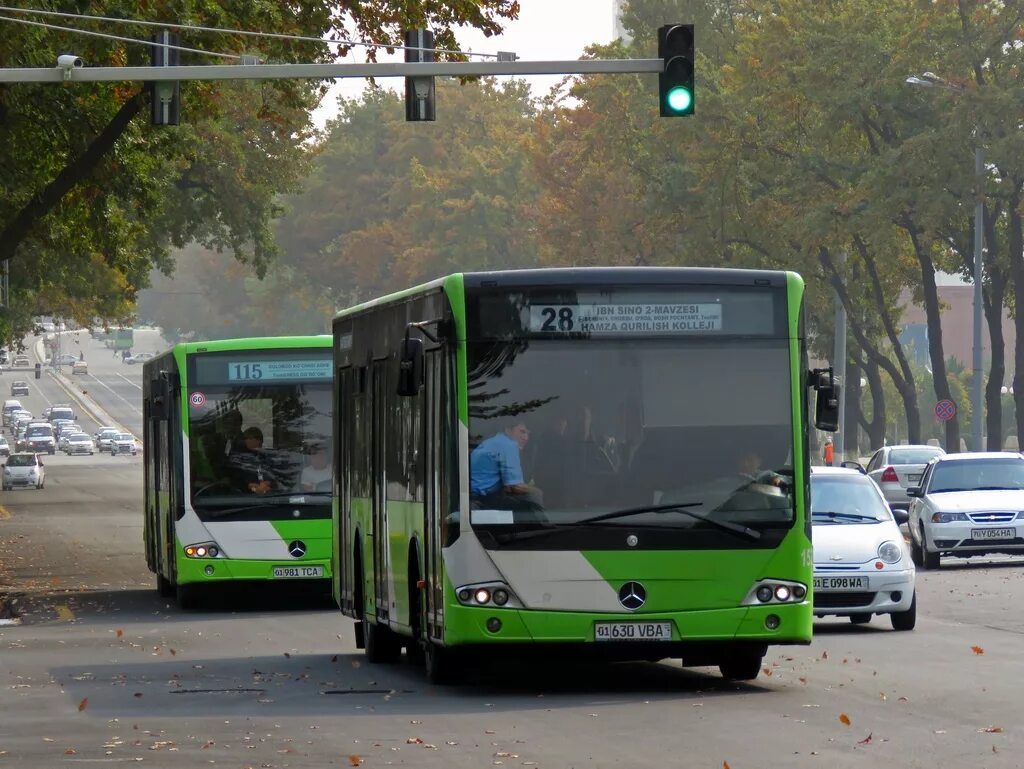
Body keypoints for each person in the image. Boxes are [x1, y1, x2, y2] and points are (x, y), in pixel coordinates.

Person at [469, 421, 543, 511]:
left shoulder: (496, 441)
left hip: (475, 495)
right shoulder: (508, 444)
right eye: (522, 432)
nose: (526, 438)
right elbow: (513, 486)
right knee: (535, 494)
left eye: (528, 434)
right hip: (479, 499)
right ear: (508, 430)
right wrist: (536, 490)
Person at [228, 426, 275, 494]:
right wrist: (248, 486)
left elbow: (277, 476)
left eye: (250, 438)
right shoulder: (238, 458)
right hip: (246, 497)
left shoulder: (269, 457)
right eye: (245, 438)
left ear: (259, 440)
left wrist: (269, 483)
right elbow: (234, 479)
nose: (247, 441)